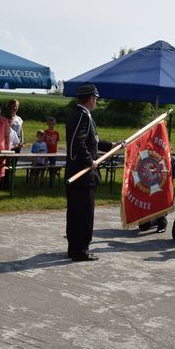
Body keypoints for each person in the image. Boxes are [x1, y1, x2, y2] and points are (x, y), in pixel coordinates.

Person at [65, 83, 115, 261]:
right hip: (82, 175)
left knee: (76, 214)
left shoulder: (81, 115)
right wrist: (89, 161)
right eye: (95, 98)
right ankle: (80, 251)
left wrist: (112, 146)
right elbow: (77, 144)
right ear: (91, 99)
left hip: (80, 174)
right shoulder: (82, 116)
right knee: (83, 215)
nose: (96, 101)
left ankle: (75, 248)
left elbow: (93, 141)